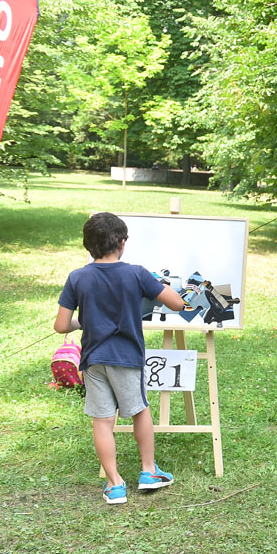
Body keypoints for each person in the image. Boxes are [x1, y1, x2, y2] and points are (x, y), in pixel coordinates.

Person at [53, 212, 187, 505]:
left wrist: (80, 323)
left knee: (102, 421)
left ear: (88, 245)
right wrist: (154, 283)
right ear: (122, 243)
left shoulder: (77, 277)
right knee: (139, 411)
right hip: (126, 357)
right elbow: (177, 303)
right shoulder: (136, 273)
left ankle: (114, 485)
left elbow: (61, 325)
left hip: (93, 359)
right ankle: (148, 471)